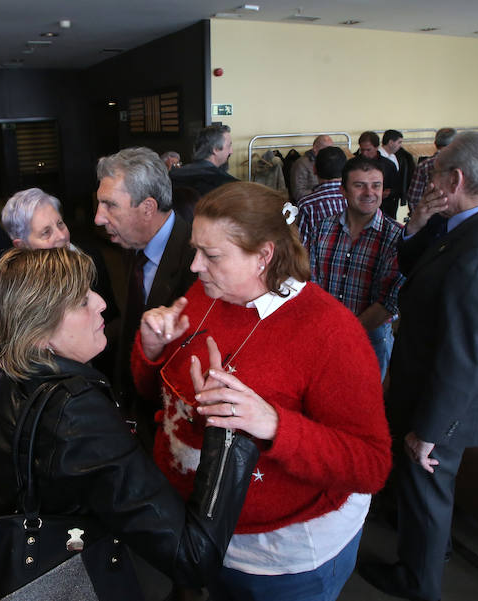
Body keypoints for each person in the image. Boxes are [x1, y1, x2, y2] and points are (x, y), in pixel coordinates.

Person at [131, 182, 391, 601]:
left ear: (264, 256)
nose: (195, 266)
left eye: (212, 255)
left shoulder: (330, 332)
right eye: (195, 249)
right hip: (194, 526)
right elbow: (151, 389)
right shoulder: (208, 292)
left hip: (278, 557)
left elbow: (371, 465)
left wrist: (273, 424)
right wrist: (151, 349)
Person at [0, 247, 259, 596]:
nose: (100, 303)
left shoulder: (12, 383)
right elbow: (194, 556)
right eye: (81, 302)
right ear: (39, 335)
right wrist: (225, 423)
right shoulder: (77, 415)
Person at [359, 131, 478, 601]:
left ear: (455, 179)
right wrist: (419, 223)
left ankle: (419, 582)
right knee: (419, 494)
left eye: (434, 172)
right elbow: (420, 269)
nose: (427, 181)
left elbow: (466, 355)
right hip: (426, 382)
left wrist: (430, 429)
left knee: (428, 490)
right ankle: (426, 544)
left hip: (441, 403)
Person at [94, 147, 196, 449]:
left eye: (110, 205)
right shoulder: (134, 245)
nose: (98, 218)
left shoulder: (196, 261)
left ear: (148, 208)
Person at [309, 157, 405, 381]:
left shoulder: (395, 237)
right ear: (343, 190)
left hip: (371, 338)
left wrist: (345, 333)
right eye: (359, 185)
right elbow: (311, 283)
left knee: (363, 405)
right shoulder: (322, 229)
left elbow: (389, 302)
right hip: (324, 332)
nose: (369, 192)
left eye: (376, 185)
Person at [1, 187, 118, 325]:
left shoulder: (92, 257)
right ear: (22, 245)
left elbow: (112, 318)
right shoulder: (20, 291)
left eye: (60, 224)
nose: (61, 236)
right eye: (46, 232)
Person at [294, 145, 348, 245]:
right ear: (346, 170)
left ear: (314, 169)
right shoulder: (354, 199)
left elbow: (302, 245)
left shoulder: (306, 204)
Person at [170, 124, 237, 196]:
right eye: (229, 146)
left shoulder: (172, 175)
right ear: (216, 149)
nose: (231, 151)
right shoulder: (227, 184)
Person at [406, 127, 457, 215]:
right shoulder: (461, 165)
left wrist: (421, 219)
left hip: (429, 218)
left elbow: (413, 198)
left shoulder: (423, 166)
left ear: (435, 143)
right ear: (454, 145)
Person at [357, 131, 400, 220]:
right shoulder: (353, 165)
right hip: (360, 210)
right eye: (362, 150)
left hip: (384, 210)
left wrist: (389, 193)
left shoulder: (389, 165)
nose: (364, 153)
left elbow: (398, 189)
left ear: (377, 147)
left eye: (368, 150)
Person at [290, 135, 334, 202]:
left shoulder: (331, 161)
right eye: (326, 149)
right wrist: (322, 192)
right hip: (311, 204)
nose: (330, 153)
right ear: (315, 148)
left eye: (331, 149)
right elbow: (298, 194)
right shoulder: (301, 164)